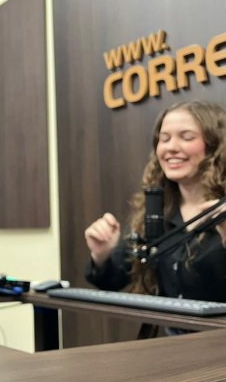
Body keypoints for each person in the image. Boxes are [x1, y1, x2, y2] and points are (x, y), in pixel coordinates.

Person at [84, 100, 226, 301]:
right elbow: (112, 281)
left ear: (215, 145)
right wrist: (102, 255)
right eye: (164, 139)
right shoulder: (157, 210)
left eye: (186, 137)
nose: (171, 148)